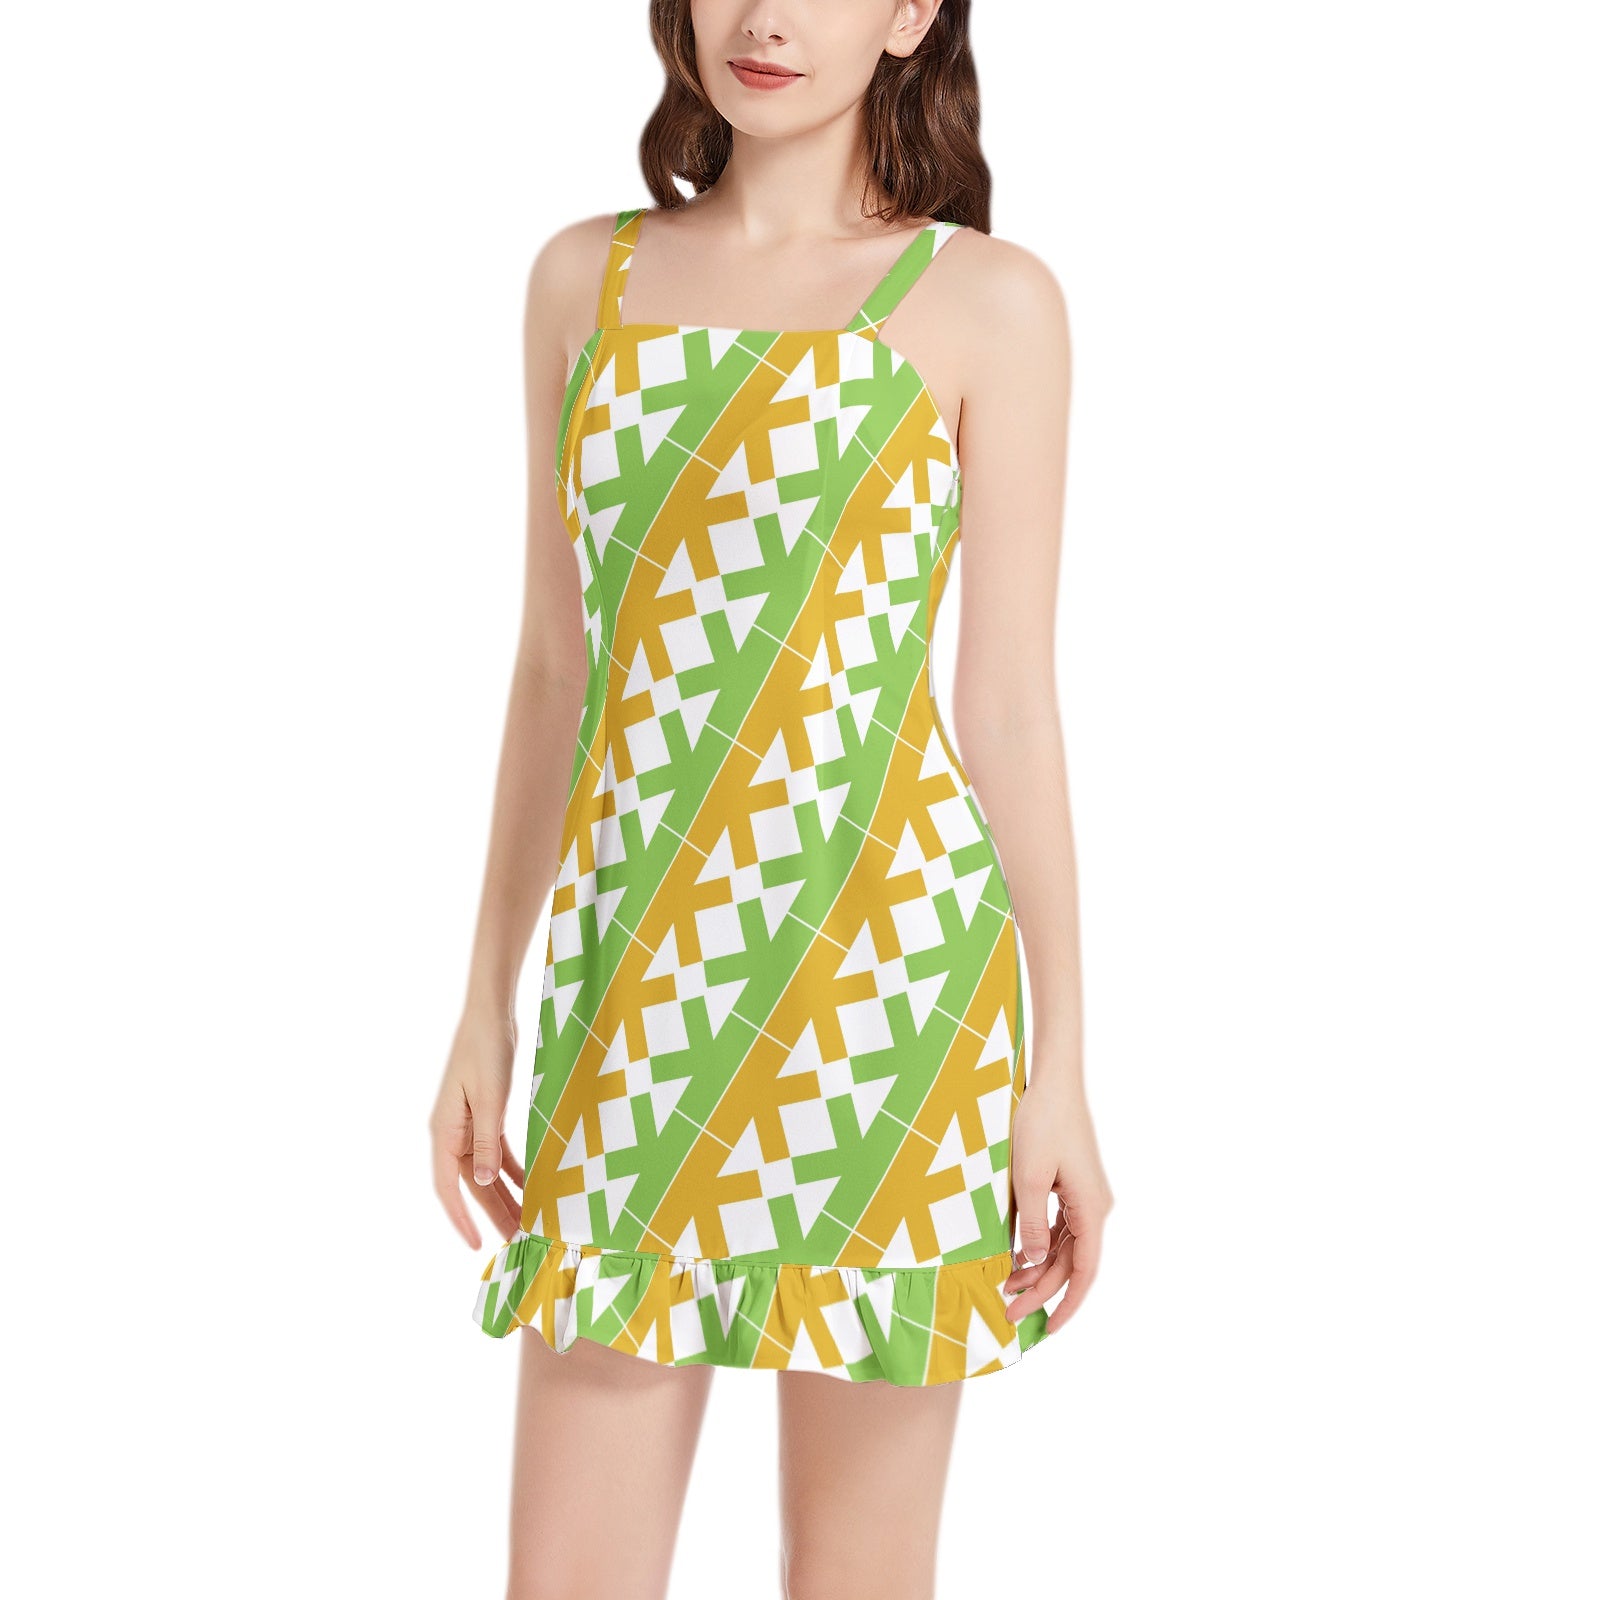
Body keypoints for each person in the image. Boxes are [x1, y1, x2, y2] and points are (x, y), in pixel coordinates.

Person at [429, 3, 1112, 1595]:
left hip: (885, 1002)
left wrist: (1061, 1070)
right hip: (640, 999)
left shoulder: (989, 303)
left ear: (912, 13)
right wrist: (484, 1006)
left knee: (858, 1576)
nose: (765, 18)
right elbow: (553, 670)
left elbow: (1010, 706)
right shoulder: (580, 282)